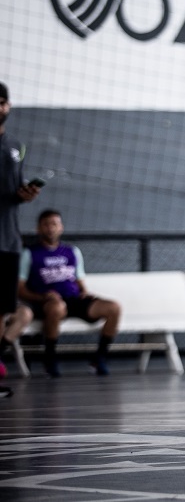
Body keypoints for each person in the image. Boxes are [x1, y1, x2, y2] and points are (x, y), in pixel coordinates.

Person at [18, 209, 121, 377]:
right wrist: (42, 296)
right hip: (47, 302)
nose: (50, 228)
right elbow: (20, 288)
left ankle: (99, 359)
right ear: (38, 228)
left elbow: (79, 280)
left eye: (54, 224)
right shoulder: (29, 253)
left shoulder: (72, 252)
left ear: (61, 228)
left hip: (73, 299)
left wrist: (86, 292)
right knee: (57, 307)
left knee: (114, 307)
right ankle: (50, 359)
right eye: (46, 225)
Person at [0, 81, 42, 395]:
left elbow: (16, 187)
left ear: (8, 106)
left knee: (4, 309)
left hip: (8, 238)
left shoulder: (16, 145)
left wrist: (25, 193)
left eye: (2, 102)